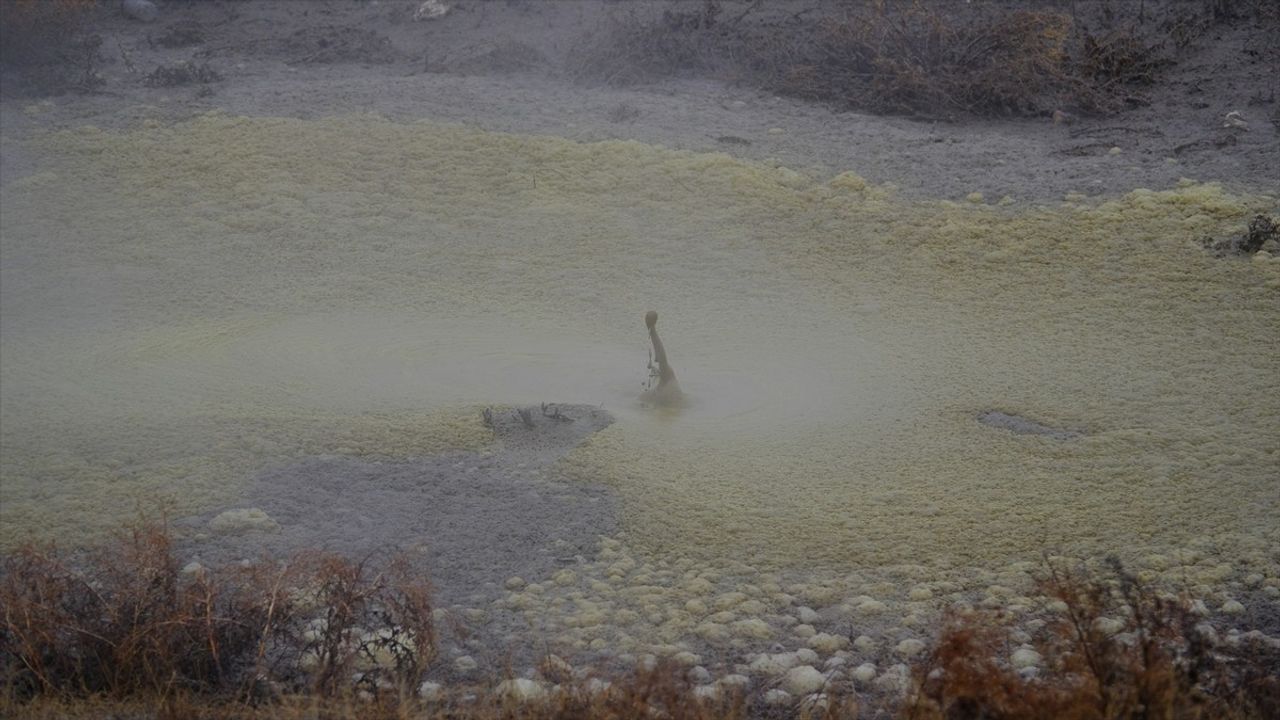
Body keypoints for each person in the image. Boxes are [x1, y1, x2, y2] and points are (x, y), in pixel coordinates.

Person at [642, 310, 683, 406]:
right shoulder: (668, 379)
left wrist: (651, 329)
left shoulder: (666, 379)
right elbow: (663, 360)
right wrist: (652, 329)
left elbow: (662, 360)